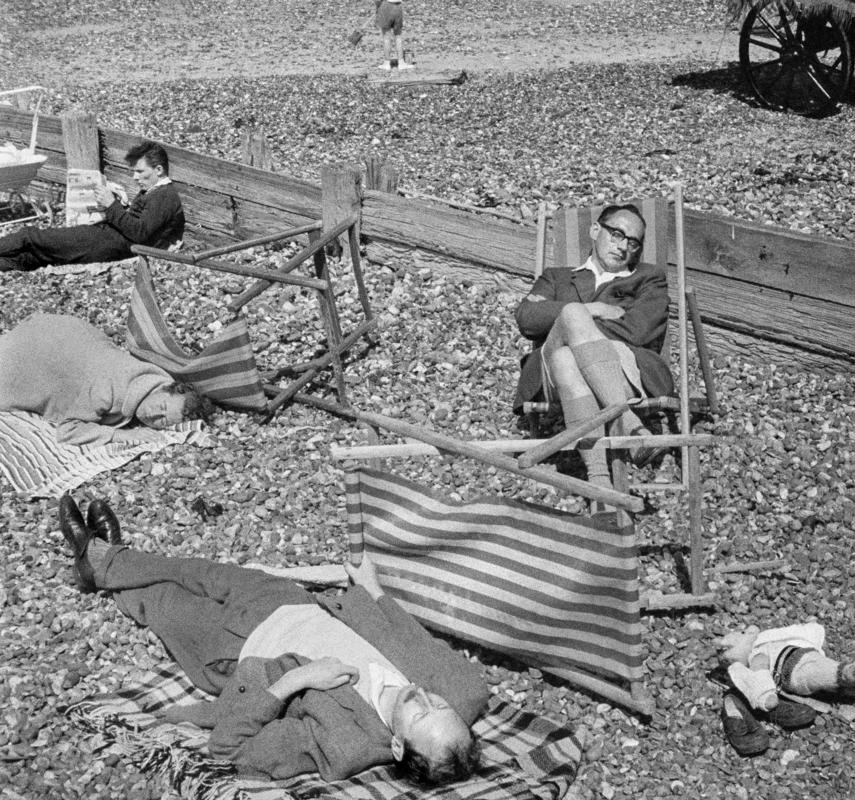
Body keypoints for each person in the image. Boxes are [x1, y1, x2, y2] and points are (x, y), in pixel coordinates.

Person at [58, 494, 487, 785]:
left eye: (419, 716)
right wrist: (372, 589)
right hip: (289, 601)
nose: (424, 697)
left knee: (161, 601)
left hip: (233, 650)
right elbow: (423, 647)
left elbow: (229, 749)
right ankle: (103, 560)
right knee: (193, 569)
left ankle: (99, 561)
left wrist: (295, 682)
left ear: (396, 745)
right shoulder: (463, 695)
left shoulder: (347, 745)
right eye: (439, 704)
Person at [513, 204, 673, 488]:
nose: (623, 247)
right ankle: (628, 421)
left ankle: (598, 480)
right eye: (616, 234)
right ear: (595, 230)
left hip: (623, 368)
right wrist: (593, 309)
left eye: (633, 242)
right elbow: (527, 319)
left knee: (566, 357)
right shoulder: (557, 277)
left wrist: (570, 327)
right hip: (550, 378)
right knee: (574, 313)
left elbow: (637, 330)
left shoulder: (650, 279)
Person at [0, 313, 211, 445]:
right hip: (37, 346)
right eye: (162, 406)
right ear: (164, 389)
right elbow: (67, 431)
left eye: (162, 420)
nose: (154, 414)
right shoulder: (108, 392)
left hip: (58, 328)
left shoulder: (148, 374)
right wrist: (121, 436)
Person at [0, 141, 185, 272]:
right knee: (34, 257)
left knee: (30, 236)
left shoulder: (165, 196)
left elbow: (140, 233)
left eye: (140, 171)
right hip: (107, 238)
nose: (135, 178)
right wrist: (115, 204)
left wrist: (111, 205)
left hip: (108, 244)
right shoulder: (156, 191)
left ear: (159, 170)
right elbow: (140, 224)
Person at [375, 0, 413, 72]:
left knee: (386, 37)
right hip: (398, 6)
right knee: (398, 36)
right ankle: (401, 62)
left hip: (386, 6)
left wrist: (378, 7)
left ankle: (386, 63)